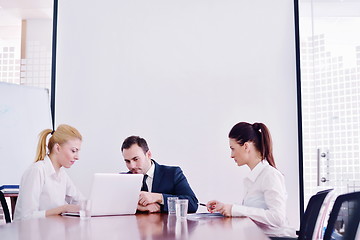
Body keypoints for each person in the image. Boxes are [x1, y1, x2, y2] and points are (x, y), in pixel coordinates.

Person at [206, 122, 294, 237]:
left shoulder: (270, 175)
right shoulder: (255, 176)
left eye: (233, 149)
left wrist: (234, 209)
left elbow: (278, 218)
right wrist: (224, 207)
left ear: (246, 146)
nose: (231, 155)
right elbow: (254, 209)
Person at [14, 124, 84, 221]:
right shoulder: (37, 170)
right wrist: (63, 209)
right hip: (31, 233)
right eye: (73, 151)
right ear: (57, 148)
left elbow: (80, 201)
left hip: (51, 231)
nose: (77, 157)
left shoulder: (61, 174)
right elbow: (26, 217)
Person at [121, 136, 198, 213]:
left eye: (136, 159)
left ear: (148, 155)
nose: (132, 166)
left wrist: (158, 197)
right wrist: (138, 207)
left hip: (166, 224)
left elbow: (192, 204)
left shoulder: (172, 173)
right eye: (127, 161)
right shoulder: (124, 179)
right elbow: (112, 204)